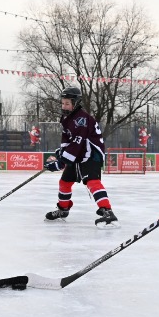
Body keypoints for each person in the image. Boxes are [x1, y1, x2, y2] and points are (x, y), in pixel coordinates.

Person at [44, 86, 119, 227]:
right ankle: (63, 209)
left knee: (92, 182)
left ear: (75, 103)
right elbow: (67, 141)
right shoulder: (67, 118)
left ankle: (107, 211)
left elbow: (77, 142)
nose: (64, 106)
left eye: (67, 103)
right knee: (65, 182)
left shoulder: (81, 119)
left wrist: (61, 163)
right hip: (78, 155)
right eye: (63, 103)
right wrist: (61, 154)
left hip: (91, 155)